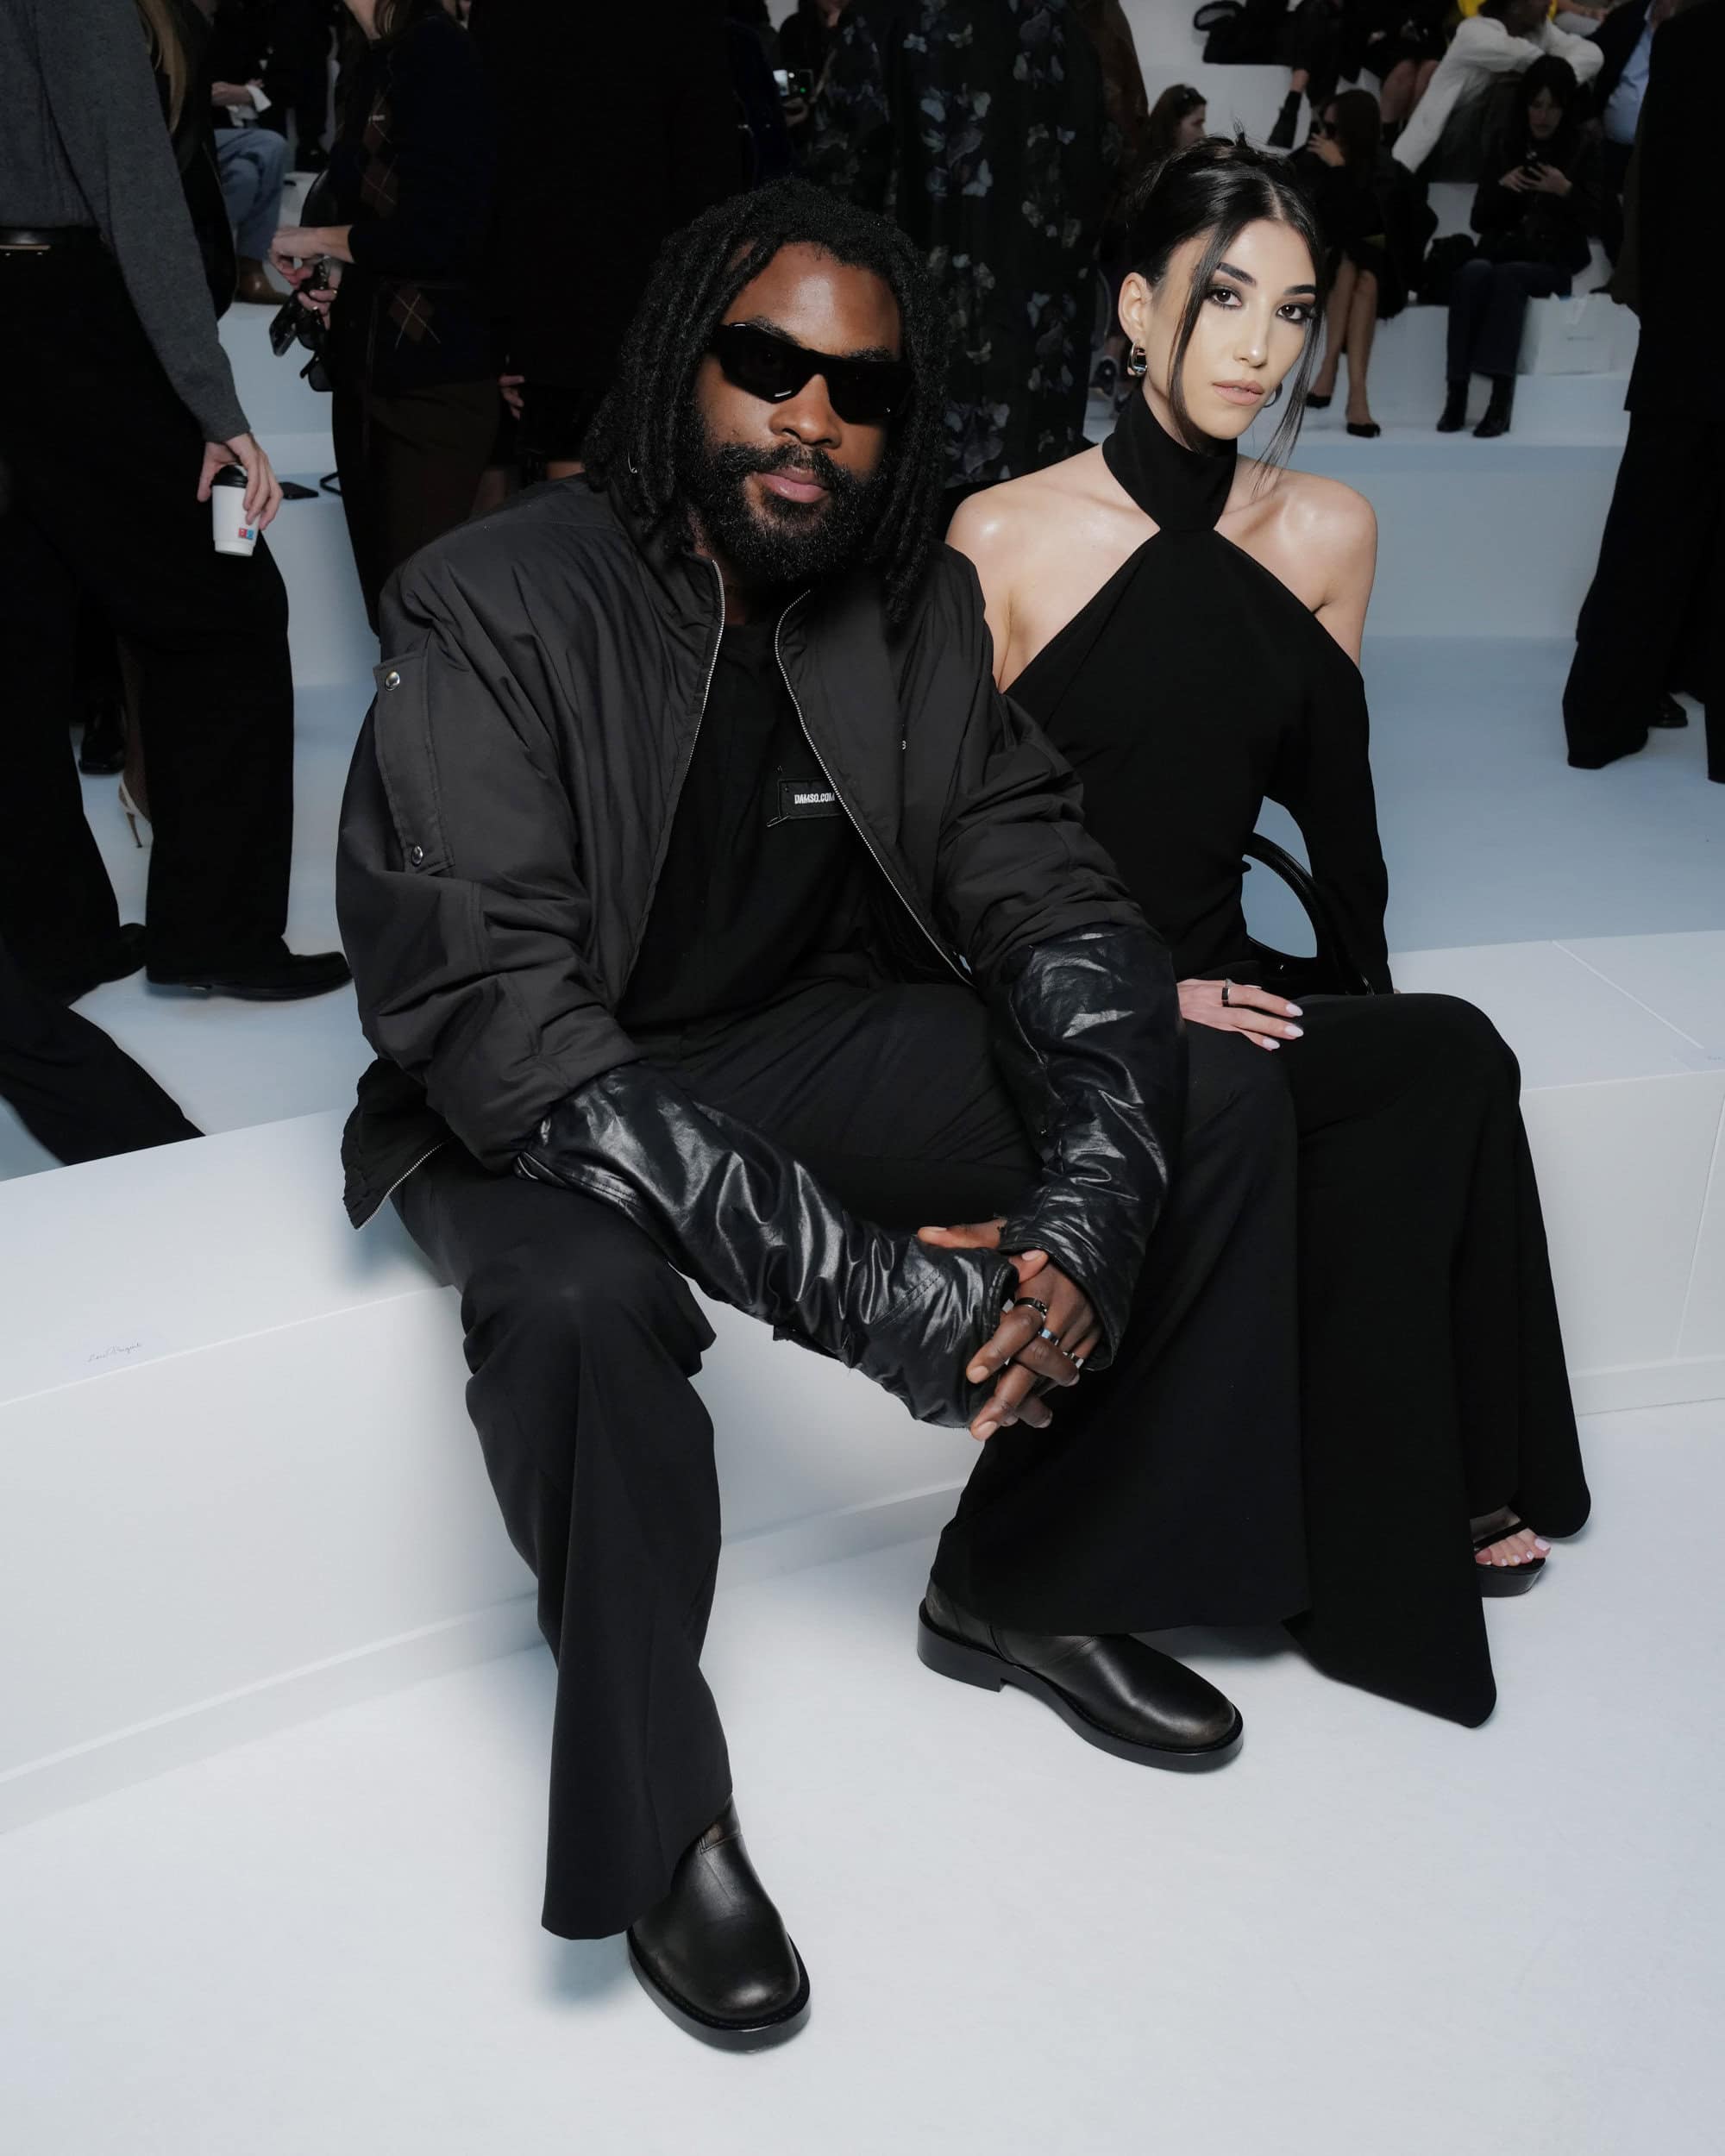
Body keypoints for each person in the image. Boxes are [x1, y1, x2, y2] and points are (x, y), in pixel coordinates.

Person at [333, 175, 1326, 2046]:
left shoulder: (912, 601)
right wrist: (888, 1302)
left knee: (1203, 1090)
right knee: (576, 1307)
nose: (809, 420)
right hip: (530, 1095)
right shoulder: (493, 599)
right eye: (767, 364)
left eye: (861, 391)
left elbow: (1048, 887)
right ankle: (662, 1819)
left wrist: (1088, 1215)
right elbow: (496, 1010)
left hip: (793, 1039)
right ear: (678, 362)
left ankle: (1031, 1575)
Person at [948, 138, 1592, 1734]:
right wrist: (1143, 995)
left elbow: (1341, 836)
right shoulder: (1006, 536)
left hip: (1228, 980)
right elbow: (942, 860)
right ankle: (1123, 1555)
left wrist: (1353, 1016)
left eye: (1294, 312)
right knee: (1289, 1085)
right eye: (1222, 298)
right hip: (1063, 1007)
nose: (1258, 347)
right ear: (1135, 309)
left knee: (1445, 1056)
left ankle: (1407, 1486)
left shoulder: (1326, 531)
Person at [0, 0, 349, 1004]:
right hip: (69, 310)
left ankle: (48, 940)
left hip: (26, 313)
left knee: (19, 630)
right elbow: (133, 179)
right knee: (225, 607)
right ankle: (216, 934)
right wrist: (212, 402)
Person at [807, 0, 1109, 498]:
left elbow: (834, 190)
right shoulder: (1068, 26)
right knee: (1027, 527)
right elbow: (1104, 175)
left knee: (911, 526)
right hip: (1040, 371)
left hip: (915, 361)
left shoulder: (883, 19)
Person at [270, 0, 498, 631]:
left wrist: (319, 241)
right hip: (367, 364)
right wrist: (337, 271)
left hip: (433, 372)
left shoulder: (438, 52)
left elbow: (446, 233)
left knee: (422, 616)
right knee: (389, 612)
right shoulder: (371, 58)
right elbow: (389, 219)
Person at [1565, 0, 1724, 781]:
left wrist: (1661, 313)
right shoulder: (1686, 39)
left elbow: (1650, 189)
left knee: (1651, 526)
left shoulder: (1686, 42)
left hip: (1685, 333)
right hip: (1686, 329)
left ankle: (1603, 718)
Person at [1440, 56, 1616, 437]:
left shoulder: (1583, 148)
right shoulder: (1507, 142)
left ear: (1566, 108)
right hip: (1502, 250)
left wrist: (1565, 190)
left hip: (1552, 260)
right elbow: (1479, 220)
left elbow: (1600, 220)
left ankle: (1500, 398)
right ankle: (1457, 391)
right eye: (1536, 105)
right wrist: (1503, 188)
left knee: (1508, 278)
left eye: (1552, 106)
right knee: (1472, 273)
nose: (1543, 116)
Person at [1295, 85, 1427, 436]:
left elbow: (1373, 224)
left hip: (1380, 278)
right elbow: (1325, 224)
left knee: (1362, 267)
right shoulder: (1312, 159)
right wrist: (1336, 170)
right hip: (1325, 268)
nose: (1325, 134)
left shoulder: (1386, 170)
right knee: (1355, 263)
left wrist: (1341, 170)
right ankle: (1357, 398)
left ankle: (1330, 369)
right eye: (1324, 126)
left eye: (1333, 128)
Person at [1393, 0, 1603, 178]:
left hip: (1490, 135)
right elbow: (1529, 59)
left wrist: (1558, 78)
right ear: (1515, 6)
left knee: (1558, 91)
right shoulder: (1474, 33)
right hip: (1449, 142)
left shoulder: (1540, 29)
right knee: (1510, 90)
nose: (1550, 3)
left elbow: (1592, 54)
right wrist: (1554, 75)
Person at [207, 0, 291, 302]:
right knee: (271, 145)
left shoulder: (236, 22)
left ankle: (235, 266)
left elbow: (276, 83)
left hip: (226, 134)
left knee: (245, 175)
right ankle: (242, 266)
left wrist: (246, 93)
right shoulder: (169, 21)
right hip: (181, 131)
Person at [1592, 0, 1674, 196]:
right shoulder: (1627, 16)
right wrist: (1589, 114)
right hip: (1611, 147)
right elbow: (1592, 53)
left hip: (1661, 157)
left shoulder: (1693, 34)